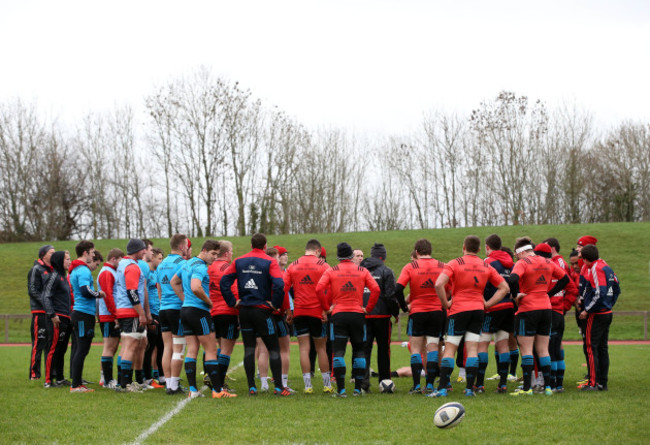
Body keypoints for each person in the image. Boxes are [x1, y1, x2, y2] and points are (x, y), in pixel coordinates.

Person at [431, 235, 509, 398]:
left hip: (458, 309)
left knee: (451, 348)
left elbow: (438, 283)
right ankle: (469, 390)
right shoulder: (485, 265)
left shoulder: (454, 263)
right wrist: (487, 304)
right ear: (479, 250)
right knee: (472, 348)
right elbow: (504, 288)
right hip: (477, 310)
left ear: (463, 247)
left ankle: (443, 389)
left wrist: (446, 303)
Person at [220, 233, 290, 396]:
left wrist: (233, 302)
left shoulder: (239, 261)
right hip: (262, 310)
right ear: (265, 246)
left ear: (252, 245)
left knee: (249, 349)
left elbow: (224, 282)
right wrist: (275, 305)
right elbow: (280, 285)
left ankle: (252, 386)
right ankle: (279, 387)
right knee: (273, 348)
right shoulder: (270, 261)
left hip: (244, 311)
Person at [316, 242, 380, 397]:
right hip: (358, 314)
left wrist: (327, 307)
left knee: (338, 351)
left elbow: (319, 289)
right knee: (359, 351)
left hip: (338, 315)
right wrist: (368, 308)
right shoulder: (362, 270)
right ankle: (358, 389)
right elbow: (376, 289)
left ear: (338, 256)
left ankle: (342, 390)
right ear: (351, 256)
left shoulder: (331, 271)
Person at [508, 237, 570, 396]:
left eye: (516, 255)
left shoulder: (523, 262)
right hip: (546, 309)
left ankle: (527, 388)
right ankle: (548, 387)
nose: (516, 258)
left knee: (526, 349)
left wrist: (515, 295)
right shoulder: (547, 262)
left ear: (521, 252)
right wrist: (548, 294)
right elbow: (565, 279)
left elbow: (513, 279)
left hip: (527, 309)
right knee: (543, 349)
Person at [178, 240, 236, 399]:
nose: (214, 257)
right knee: (210, 349)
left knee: (192, 350)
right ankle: (217, 391)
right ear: (204, 251)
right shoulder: (200, 267)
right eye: (213, 254)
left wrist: (184, 298)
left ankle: (192, 390)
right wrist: (208, 302)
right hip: (199, 312)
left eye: (217, 254)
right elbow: (196, 287)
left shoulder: (186, 264)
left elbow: (174, 282)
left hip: (185, 310)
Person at [393, 239, 446, 394]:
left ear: (416, 252)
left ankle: (416, 386)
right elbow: (448, 289)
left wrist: (403, 307)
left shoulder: (411, 266)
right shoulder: (442, 266)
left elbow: (398, 289)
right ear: (431, 250)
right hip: (436, 312)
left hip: (417, 312)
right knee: (433, 348)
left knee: (416, 349)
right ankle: (430, 384)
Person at [283, 239, 332, 394]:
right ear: (318, 251)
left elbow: (283, 289)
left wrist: (289, 311)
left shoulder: (293, 265)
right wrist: (326, 309)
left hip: (300, 311)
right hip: (317, 312)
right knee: (321, 348)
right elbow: (330, 288)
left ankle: (308, 386)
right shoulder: (323, 266)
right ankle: (327, 385)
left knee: (304, 348)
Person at [579, 244, 620, 391]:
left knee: (590, 347)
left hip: (596, 314)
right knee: (603, 348)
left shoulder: (595, 268)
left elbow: (599, 293)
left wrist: (587, 310)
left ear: (585, 259)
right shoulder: (606, 266)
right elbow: (617, 286)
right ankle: (603, 382)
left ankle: (592, 383)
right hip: (607, 313)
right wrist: (610, 304)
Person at [477, 234, 515, 393]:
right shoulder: (511, 263)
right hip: (509, 307)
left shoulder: (488, 262)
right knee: (503, 343)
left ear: (487, 247)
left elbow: (480, 283)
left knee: (483, 343)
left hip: (491, 307)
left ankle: (479, 384)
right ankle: (503, 384)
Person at [540, 239, 578, 392]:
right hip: (557, 311)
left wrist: (564, 306)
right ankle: (558, 384)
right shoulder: (555, 264)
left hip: (552, 311)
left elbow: (571, 288)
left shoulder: (555, 265)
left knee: (551, 348)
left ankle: (554, 384)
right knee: (555, 347)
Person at [113, 239, 149, 392]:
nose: (145, 252)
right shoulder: (132, 267)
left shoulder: (122, 264)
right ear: (136, 250)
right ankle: (126, 384)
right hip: (130, 311)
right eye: (142, 249)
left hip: (123, 309)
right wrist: (141, 313)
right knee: (131, 346)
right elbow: (132, 292)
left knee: (127, 345)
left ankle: (122, 382)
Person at [360, 243, 396, 393]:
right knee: (383, 349)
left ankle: (363, 383)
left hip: (364, 315)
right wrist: (395, 312)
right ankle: (385, 381)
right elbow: (390, 295)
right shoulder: (387, 271)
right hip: (382, 316)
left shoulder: (360, 270)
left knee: (363, 350)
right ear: (384, 257)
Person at [69, 240, 105, 393]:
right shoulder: (83, 270)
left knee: (80, 348)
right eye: (92, 252)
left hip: (81, 313)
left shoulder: (75, 269)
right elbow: (85, 291)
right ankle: (76, 385)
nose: (93, 255)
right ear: (86, 253)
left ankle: (77, 383)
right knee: (82, 349)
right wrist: (99, 294)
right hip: (83, 313)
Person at [157, 234, 190, 395]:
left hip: (163, 309)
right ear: (182, 246)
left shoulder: (161, 264)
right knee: (179, 348)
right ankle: (175, 385)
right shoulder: (182, 263)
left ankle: (169, 384)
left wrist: (163, 301)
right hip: (177, 308)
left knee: (167, 347)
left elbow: (158, 287)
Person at [207, 240, 239, 393]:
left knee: (218, 348)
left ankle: (212, 378)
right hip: (227, 312)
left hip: (212, 312)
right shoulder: (228, 268)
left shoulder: (208, 267)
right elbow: (235, 292)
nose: (232, 254)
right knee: (226, 350)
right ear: (226, 253)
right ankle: (218, 386)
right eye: (231, 251)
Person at [42, 250, 71, 387]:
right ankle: (48, 381)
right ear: (60, 261)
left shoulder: (63, 277)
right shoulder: (54, 276)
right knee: (53, 348)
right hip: (57, 318)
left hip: (66, 318)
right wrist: (52, 314)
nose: (69, 261)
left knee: (62, 349)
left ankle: (60, 378)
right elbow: (46, 296)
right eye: (67, 259)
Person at [97, 248, 124, 389]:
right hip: (108, 316)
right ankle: (107, 380)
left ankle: (105, 377)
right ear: (114, 259)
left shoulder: (112, 272)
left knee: (112, 347)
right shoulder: (107, 272)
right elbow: (107, 295)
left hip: (110, 315)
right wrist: (115, 315)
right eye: (120, 260)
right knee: (109, 346)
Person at [28, 244, 55, 380]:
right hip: (40, 312)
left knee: (51, 344)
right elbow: (33, 290)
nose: (54, 254)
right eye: (51, 252)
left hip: (52, 312)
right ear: (43, 254)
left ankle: (50, 374)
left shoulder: (53, 270)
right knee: (39, 342)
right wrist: (46, 303)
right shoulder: (36, 270)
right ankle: (34, 374)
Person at [144, 247, 165, 388]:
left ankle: (162, 377)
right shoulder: (146, 272)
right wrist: (147, 314)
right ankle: (147, 378)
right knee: (150, 346)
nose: (161, 261)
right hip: (150, 312)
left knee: (162, 345)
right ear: (153, 258)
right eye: (159, 258)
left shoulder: (157, 273)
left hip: (159, 311)